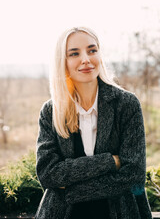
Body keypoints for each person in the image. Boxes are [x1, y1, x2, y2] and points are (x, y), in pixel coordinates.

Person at [35, 27, 152, 219]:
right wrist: (109, 161)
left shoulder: (126, 104)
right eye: (74, 53)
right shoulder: (51, 111)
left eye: (92, 50)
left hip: (120, 212)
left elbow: (133, 174)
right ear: (62, 62)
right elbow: (48, 174)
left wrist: (72, 192)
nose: (86, 59)